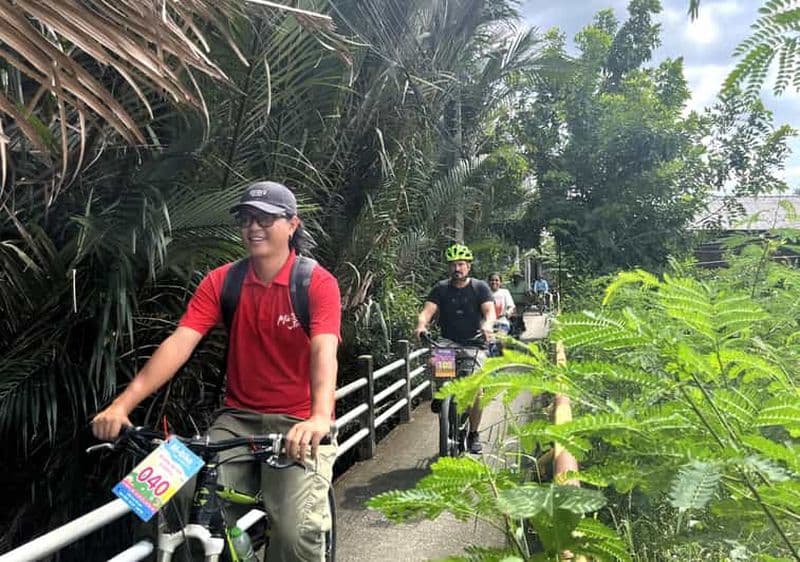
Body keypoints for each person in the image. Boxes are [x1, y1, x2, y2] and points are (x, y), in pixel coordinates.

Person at [91, 181, 341, 562]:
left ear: (292, 224)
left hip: (298, 423)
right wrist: (121, 406)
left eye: (265, 219)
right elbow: (179, 343)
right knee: (149, 490)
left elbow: (324, 350)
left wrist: (320, 416)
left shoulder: (316, 283)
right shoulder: (223, 281)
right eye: (246, 218)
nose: (253, 227)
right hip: (236, 420)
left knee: (294, 533)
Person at [414, 243, 496, 454]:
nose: (456, 268)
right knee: (435, 363)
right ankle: (442, 394)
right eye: (452, 265)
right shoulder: (441, 288)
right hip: (448, 342)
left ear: (468, 266)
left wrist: (487, 325)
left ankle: (473, 434)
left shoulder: (479, 287)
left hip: (474, 343)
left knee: (476, 391)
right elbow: (427, 311)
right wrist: (421, 325)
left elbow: (490, 311)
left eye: (460, 264)